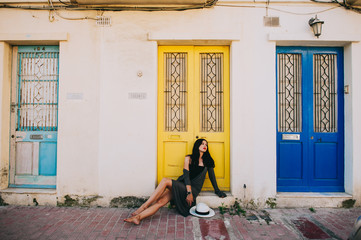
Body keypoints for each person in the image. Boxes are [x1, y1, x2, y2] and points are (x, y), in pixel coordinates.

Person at [124, 138, 227, 225]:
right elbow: (186, 176)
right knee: (160, 202)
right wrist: (188, 191)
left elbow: (212, 178)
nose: (205, 145)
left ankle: (144, 206)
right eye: (202, 143)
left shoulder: (208, 161)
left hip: (193, 190)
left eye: (206, 145)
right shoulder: (188, 158)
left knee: (165, 180)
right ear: (197, 145)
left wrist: (217, 190)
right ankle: (139, 217)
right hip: (183, 186)